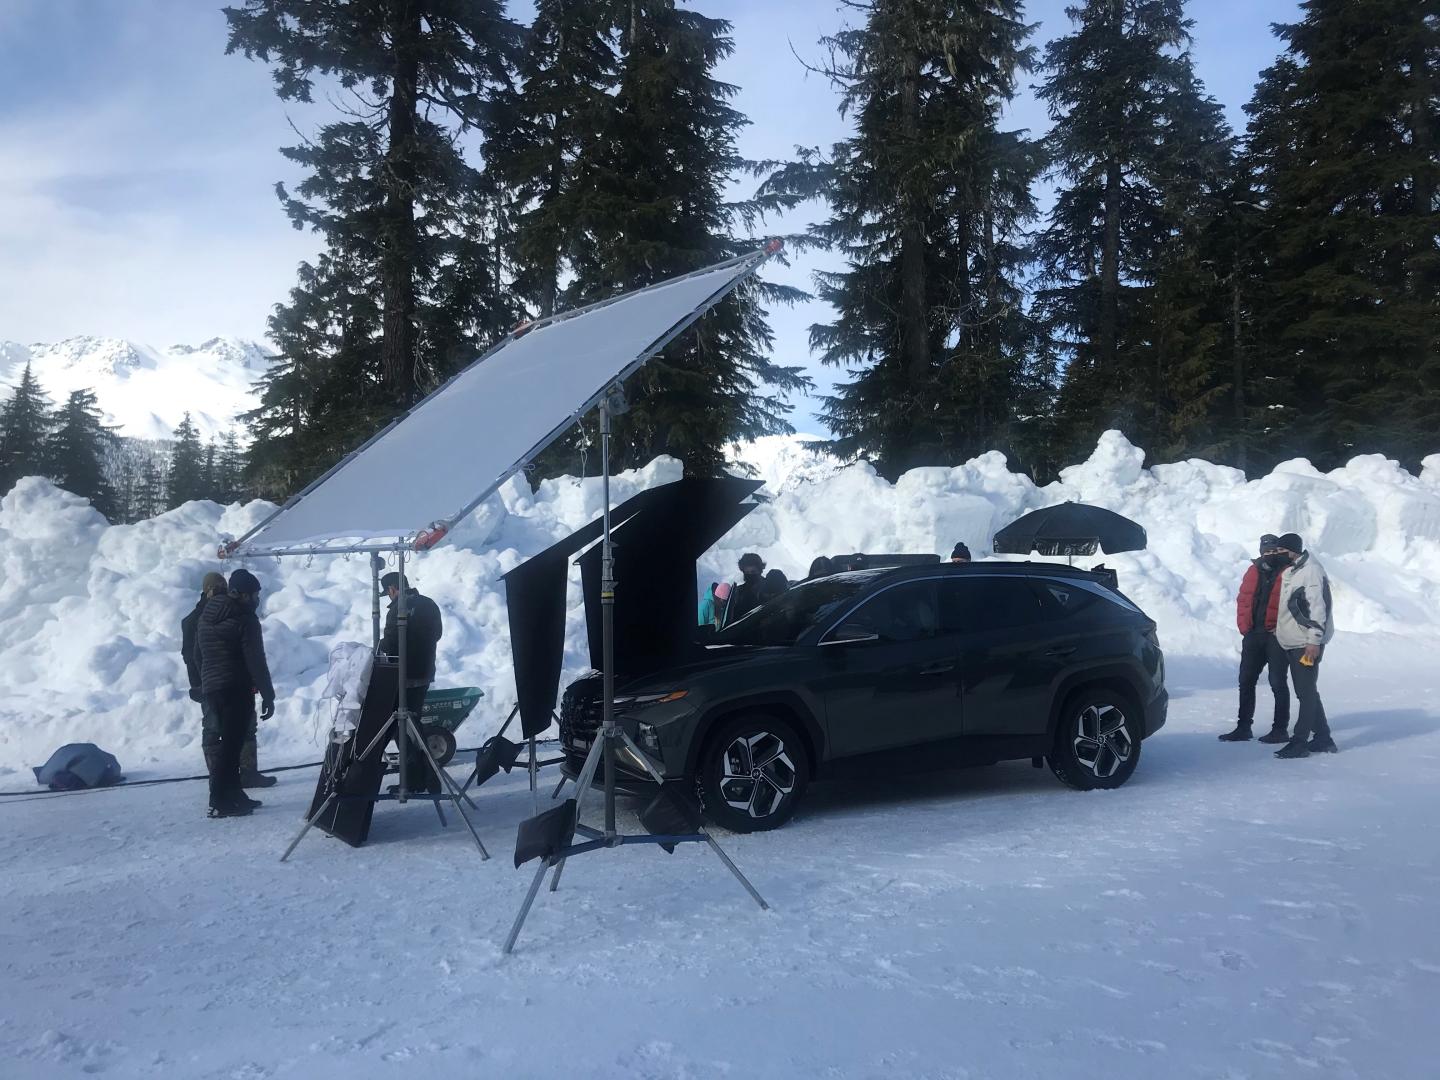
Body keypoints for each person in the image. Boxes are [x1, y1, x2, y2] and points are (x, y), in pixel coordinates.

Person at [196, 568, 275, 818]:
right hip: (236, 687)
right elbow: (256, 660)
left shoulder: (207, 616)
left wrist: (207, 681)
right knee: (232, 746)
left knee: (228, 743)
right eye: (254, 595)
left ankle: (234, 794)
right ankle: (219, 800)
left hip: (214, 688)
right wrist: (268, 694)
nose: (256, 600)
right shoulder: (245, 620)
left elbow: (198, 655)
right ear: (241, 595)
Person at [1219, 534, 1292, 744]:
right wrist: (1245, 628)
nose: (1270, 555)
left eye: (1273, 551)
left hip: (1276, 637)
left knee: (1278, 682)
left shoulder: (1287, 572)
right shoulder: (1253, 570)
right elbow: (1243, 599)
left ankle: (1280, 729)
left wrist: (1282, 629)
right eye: (1266, 551)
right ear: (1261, 552)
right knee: (1246, 680)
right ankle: (1243, 727)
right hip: (1253, 635)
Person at [1271, 533, 1337, 758]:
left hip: (1305, 643)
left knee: (1305, 692)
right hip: (1292, 641)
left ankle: (1299, 741)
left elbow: (1318, 607)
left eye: (1281, 550)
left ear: (1291, 550)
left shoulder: (1311, 571)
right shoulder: (1293, 571)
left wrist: (1314, 640)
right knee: (1306, 691)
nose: (1278, 554)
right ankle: (1323, 738)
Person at [380, 572, 444, 787]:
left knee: (402, 727)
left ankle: (419, 777)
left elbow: (390, 644)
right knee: (412, 722)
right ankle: (422, 776)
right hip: (424, 673)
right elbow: (437, 634)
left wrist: (380, 649)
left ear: (391, 589)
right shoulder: (429, 603)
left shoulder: (397, 609)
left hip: (403, 674)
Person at [724, 553, 768, 626]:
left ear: (760, 570)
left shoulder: (770, 586)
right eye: (746, 572)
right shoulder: (739, 591)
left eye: (753, 572)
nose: (750, 575)